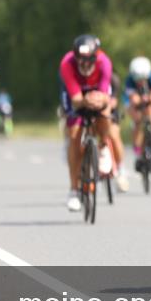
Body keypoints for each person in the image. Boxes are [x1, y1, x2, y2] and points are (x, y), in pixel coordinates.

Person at [59, 34, 129, 211]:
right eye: (80, 60)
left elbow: (105, 96)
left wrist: (99, 102)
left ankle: (104, 146)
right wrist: (86, 101)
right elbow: (75, 100)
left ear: (95, 57)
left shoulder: (104, 62)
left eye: (88, 60)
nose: (84, 64)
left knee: (106, 117)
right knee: (74, 134)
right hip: (76, 95)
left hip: (98, 92)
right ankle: (74, 191)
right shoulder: (67, 64)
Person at [124, 56, 151, 170]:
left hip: (150, 101)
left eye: (143, 78)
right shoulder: (130, 80)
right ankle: (138, 151)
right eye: (138, 79)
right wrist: (140, 101)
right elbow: (133, 99)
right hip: (134, 103)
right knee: (137, 121)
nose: (140, 81)